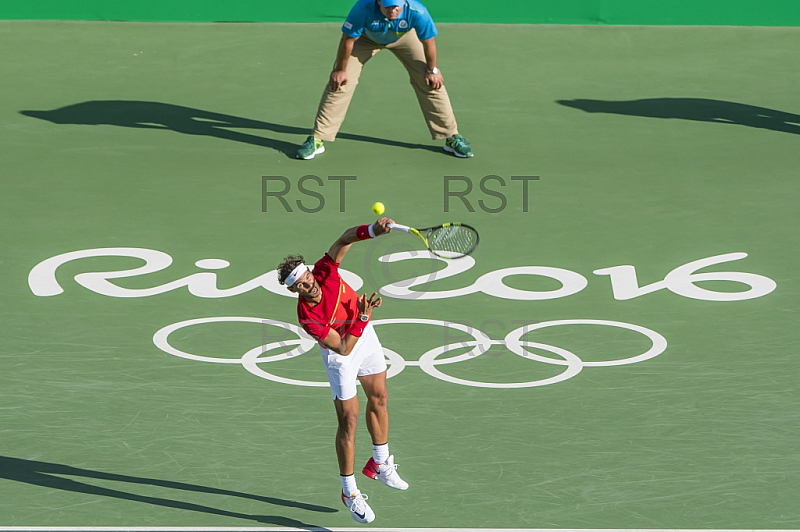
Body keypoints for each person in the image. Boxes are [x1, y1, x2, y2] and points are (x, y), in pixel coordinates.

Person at [277, 217, 408, 524]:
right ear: (294, 290)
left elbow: (345, 239)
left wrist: (374, 230)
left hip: (364, 334)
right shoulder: (307, 316)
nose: (309, 284)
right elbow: (343, 348)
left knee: (380, 397)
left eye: (307, 276)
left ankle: (380, 463)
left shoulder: (326, 269)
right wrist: (362, 318)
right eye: (301, 284)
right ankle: (349, 491)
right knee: (348, 420)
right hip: (343, 353)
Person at [296, 0, 474, 159]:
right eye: (388, 5)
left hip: (404, 37)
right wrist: (340, 70)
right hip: (367, 39)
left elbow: (428, 42)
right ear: (378, 2)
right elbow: (348, 40)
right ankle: (318, 138)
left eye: (397, 5)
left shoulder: (417, 11)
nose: (393, 9)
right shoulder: (362, 9)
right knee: (340, 82)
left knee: (430, 81)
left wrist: (432, 70)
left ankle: (451, 136)